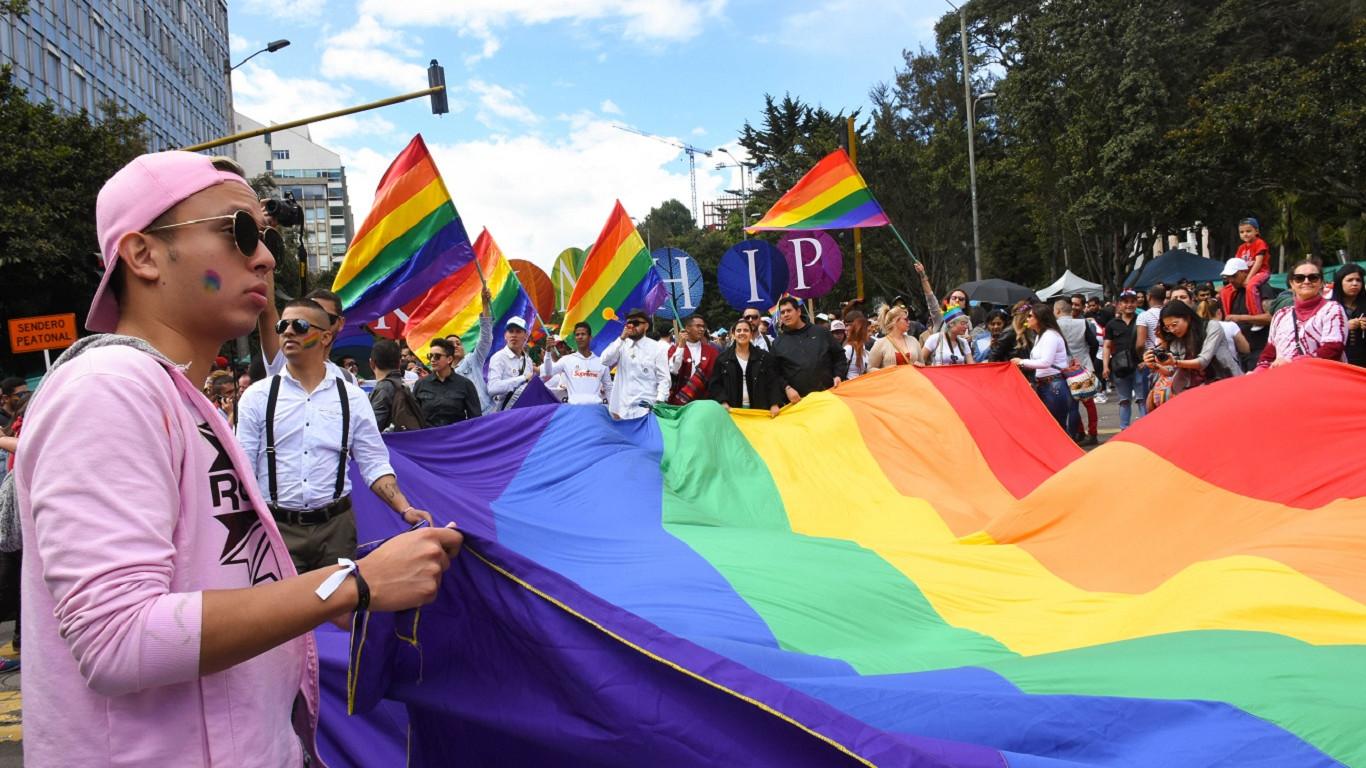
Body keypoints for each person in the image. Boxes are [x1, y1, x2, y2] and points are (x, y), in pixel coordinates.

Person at [8, 150, 461, 767]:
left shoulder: (179, 397)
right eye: (240, 231)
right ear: (143, 255)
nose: (266, 257)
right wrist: (350, 586)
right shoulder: (109, 388)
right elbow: (116, 637)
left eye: (267, 237)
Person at [237, 298, 436, 573]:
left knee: (340, 599)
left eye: (300, 325)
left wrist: (405, 509)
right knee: (283, 601)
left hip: (336, 531)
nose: (289, 331)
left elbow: (374, 463)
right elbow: (242, 470)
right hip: (275, 528)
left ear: (325, 337)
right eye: (282, 325)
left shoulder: (351, 397)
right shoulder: (257, 396)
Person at [1256, 260, 1349, 369]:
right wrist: (1259, 371)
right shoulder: (1281, 315)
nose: (1306, 281)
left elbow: (1333, 349)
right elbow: (1268, 353)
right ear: (1292, 284)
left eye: (1313, 277)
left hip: (1322, 375)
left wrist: (1292, 363)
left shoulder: (1332, 309)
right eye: (1299, 278)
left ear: (1321, 283)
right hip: (1284, 377)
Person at [1145, 299, 1241, 400]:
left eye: (1174, 324)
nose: (1172, 330)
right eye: (1167, 327)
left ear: (1187, 317)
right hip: (1196, 391)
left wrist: (1175, 362)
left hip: (1225, 381)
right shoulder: (1176, 340)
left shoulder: (1212, 327)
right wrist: (1155, 365)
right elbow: (1171, 371)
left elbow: (1203, 361)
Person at [771, 296, 848, 403]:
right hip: (799, 402)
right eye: (782, 312)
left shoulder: (821, 332)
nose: (786, 314)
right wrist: (786, 388)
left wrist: (838, 375)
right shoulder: (777, 343)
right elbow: (774, 372)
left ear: (798, 311)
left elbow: (839, 356)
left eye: (789, 310)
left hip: (829, 397)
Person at [601, 309, 671, 419]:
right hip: (622, 410)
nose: (631, 326)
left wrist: (659, 401)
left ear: (646, 326)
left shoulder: (657, 348)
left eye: (636, 323)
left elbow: (664, 379)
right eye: (629, 323)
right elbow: (605, 360)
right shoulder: (621, 344)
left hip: (646, 409)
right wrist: (621, 338)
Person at [1012, 303, 1072, 430]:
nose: (1027, 319)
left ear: (1039, 318)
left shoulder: (1050, 335)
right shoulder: (1041, 335)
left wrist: (1021, 362)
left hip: (1054, 386)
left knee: (1057, 427)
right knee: (1049, 426)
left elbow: (1045, 362)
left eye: (1030, 316)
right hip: (1045, 385)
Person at [710, 318, 784, 418]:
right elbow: (715, 384)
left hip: (760, 410)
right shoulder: (722, 359)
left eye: (746, 330)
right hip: (732, 411)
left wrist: (774, 403)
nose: (742, 333)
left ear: (751, 334)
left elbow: (773, 381)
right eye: (739, 330)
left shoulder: (764, 357)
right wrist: (722, 401)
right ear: (733, 334)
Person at [1055, 298, 1099, 445]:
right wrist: (1088, 357)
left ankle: (1079, 432)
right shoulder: (1083, 323)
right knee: (1089, 403)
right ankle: (1092, 433)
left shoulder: (1054, 326)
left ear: (1057, 311)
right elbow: (1094, 343)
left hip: (1065, 369)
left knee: (1072, 403)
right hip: (1084, 366)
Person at [413, 338, 482, 427]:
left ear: (449, 359)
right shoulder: (421, 384)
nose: (432, 360)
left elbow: (475, 419)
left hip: (456, 434)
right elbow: (413, 416)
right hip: (429, 434)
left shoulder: (465, 384)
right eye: (430, 356)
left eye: (437, 356)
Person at [447, 285, 496, 412]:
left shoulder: (472, 360)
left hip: (489, 412)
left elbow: (485, 338)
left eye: (458, 343)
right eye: (451, 344)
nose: (456, 346)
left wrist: (485, 304)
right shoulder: (444, 374)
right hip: (467, 419)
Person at [1219, 256, 1272, 370]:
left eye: (1234, 276)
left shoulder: (1260, 288)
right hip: (1240, 352)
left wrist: (1240, 318)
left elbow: (1271, 318)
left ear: (1245, 272)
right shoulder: (1232, 293)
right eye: (1228, 277)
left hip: (1260, 349)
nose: (1231, 280)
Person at [541, 322, 611, 405]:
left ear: (590, 338)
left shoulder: (601, 363)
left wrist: (614, 410)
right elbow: (548, 372)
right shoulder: (566, 360)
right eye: (577, 335)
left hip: (595, 409)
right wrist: (548, 351)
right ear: (575, 338)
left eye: (583, 334)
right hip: (574, 409)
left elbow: (609, 388)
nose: (580, 337)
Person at [1102, 290, 1143, 428]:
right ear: (1119, 304)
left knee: (1142, 399)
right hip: (1120, 367)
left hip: (1140, 366)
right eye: (1126, 302)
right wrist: (1105, 366)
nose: (1129, 305)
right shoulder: (1111, 324)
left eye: (1132, 301)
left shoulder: (1141, 320)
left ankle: (1147, 429)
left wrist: (1146, 361)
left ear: (1136, 303)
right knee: (1124, 400)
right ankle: (1124, 430)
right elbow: (1107, 346)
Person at [369, 338, 425, 432]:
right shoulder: (403, 385)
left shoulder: (383, 388)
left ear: (372, 363)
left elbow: (372, 429)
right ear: (399, 363)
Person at [486, 315, 537, 411]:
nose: (514, 335)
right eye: (511, 331)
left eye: (518, 331)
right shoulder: (499, 357)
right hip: (503, 414)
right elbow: (492, 388)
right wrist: (523, 378)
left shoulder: (528, 360)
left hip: (522, 412)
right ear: (505, 336)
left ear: (526, 336)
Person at [667, 315, 720, 405]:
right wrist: (681, 346)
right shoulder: (674, 349)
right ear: (687, 328)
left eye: (703, 326)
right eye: (698, 326)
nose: (702, 329)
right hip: (680, 401)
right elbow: (673, 369)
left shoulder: (712, 352)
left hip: (704, 402)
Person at [868, 304, 923, 371]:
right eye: (906, 319)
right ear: (895, 321)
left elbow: (923, 365)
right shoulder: (880, 343)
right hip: (891, 378)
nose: (909, 322)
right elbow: (870, 369)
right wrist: (886, 370)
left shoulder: (913, 340)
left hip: (912, 377)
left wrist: (919, 365)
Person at [1331, 264, 1366, 367]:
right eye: (1350, 280)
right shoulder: (1329, 307)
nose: (1355, 284)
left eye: (1358, 280)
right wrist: (1344, 326)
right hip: (1339, 362)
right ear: (1340, 282)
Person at [1236, 217, 1273, 314]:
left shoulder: (1259, 243)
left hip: (1261, 272)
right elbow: (1237, 263)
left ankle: (1257, 313)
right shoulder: (1241, 248)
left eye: (1248, 231)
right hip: (1247, 274)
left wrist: (1248, 278)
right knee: (1226, 289)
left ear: (1256, 231)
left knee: (1250, 286)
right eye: (1242, 232)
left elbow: (1258, 263)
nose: (1245, 234)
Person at [842, 310, 872, 380]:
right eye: (846, 325)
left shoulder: (865, 350)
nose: (846, 329)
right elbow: (838, 373)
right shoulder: (848, 349)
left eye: (849, 325)